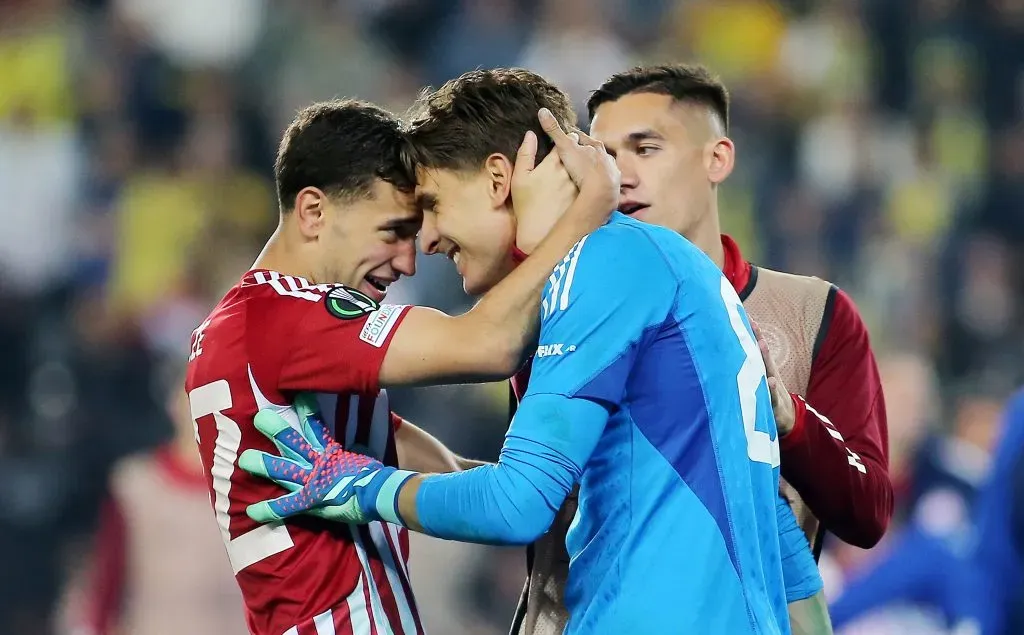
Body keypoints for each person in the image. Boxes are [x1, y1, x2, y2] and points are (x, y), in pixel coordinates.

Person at [239, 69, 820, 634]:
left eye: (435, 204)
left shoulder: (599, 268)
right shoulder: (679, 266)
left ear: (498, 178)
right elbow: (770, 522)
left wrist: (360, 488)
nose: (431, 240)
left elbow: (517, 504)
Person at [184, 98, 618, 635]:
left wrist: (546, 497)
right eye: (392, 232)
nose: (409, 262)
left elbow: (409, 457)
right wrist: (588, 210)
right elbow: (488, 344)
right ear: (314, 211)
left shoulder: (248, 329)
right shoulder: (278, 317)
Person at [509, 63, 893, 635]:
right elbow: (533, 502)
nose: (621, 177)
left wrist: (786, 418)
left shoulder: (815, 316)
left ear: (718, 158)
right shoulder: (556, 308)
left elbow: (867, 513)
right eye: (605, 157)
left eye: (646, 148)